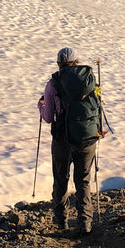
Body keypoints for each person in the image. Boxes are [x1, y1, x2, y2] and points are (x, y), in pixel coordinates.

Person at [37, 47, 103, 235]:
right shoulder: (89, 80)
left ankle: (62, 221)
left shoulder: (53, 85)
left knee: (61, 179)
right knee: (83, 180)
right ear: (76, 62)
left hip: (63, 139)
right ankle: (85, 224)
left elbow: (49, 117)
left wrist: (41, 105)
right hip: (88, 138)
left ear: (59, 64)